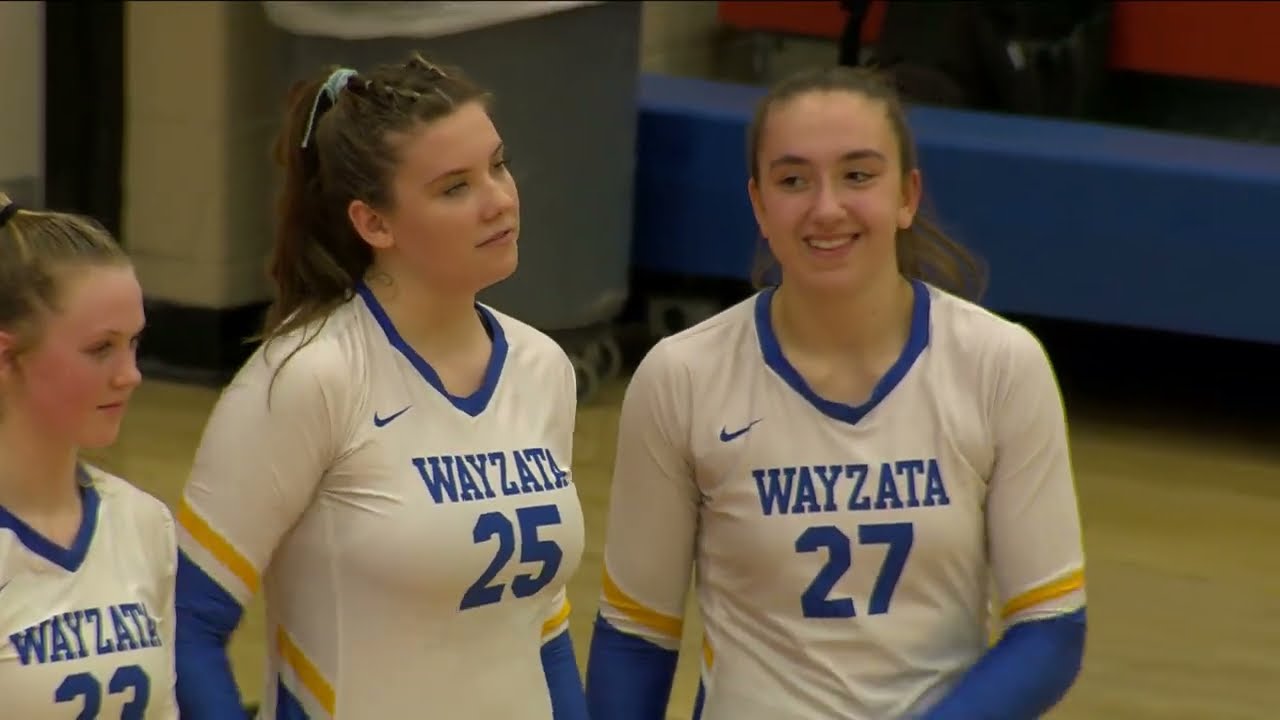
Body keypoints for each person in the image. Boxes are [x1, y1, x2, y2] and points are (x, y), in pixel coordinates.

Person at [585, 65, 1087, 720]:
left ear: (907, 195)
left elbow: (1050, 627)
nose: (826, 207)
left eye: (857, 175)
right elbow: (636, 636)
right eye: (793, 180)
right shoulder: (683, 376)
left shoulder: (998, 364)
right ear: (761, 205)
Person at [172, 53, 588, 719]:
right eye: (455, 187)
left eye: (498, 164)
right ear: (375, 223)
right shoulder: (308, 377)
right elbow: (185, 625)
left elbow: (544, 629)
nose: (500, 199)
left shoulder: (542, 369)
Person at [0, 195, 178, 718]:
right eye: (101, 349)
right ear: (7, 356)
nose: (130, 374)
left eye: (134, 344)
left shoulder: (144, 523)